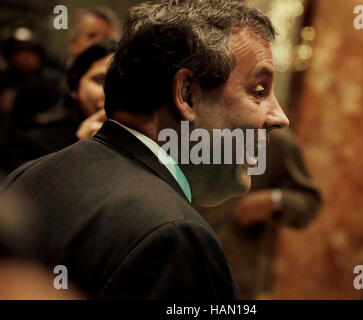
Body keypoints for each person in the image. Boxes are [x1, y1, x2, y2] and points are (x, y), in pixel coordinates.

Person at [2, 0, 288, 299]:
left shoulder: (29, 175)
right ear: (187, 94)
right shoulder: (174, 235)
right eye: (259, 91)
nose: (280, 117)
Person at [199, 128, 321, 298]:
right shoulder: (189, 128)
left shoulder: (275, 141)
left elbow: (310, 202)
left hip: (234, 276)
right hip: (180, 266)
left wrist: (276, 200)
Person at [0, 40, 115, 174]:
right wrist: (77, 148)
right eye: (100, 80)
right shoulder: (31, 143)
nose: (113, 91)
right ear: (75, 85)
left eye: (123, 82)